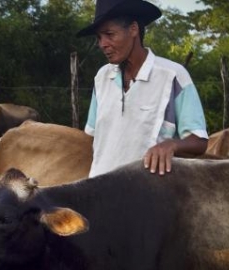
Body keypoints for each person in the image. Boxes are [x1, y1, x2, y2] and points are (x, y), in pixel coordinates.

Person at [77, 0, 209, 177]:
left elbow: (199, 141)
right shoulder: (102, 78)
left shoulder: (173, 76)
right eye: (99, 38)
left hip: (148, 193)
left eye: (109, 34)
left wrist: (170, 145)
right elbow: (91, 137)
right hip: (100, 189)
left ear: (133, 29)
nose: (103, 44)